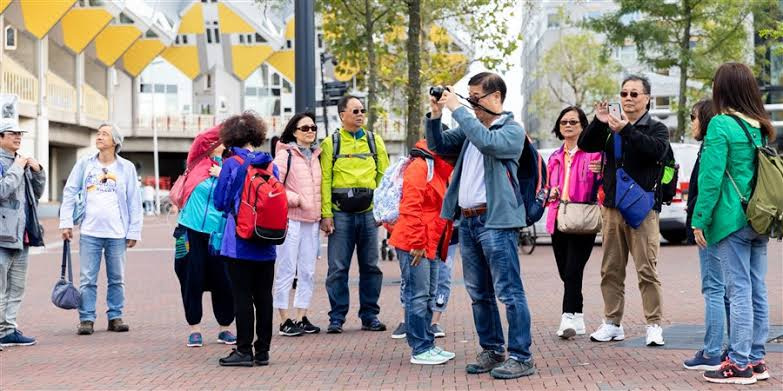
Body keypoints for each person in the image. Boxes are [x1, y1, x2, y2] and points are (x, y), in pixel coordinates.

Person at [426, 72, 535, 379]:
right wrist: (435, 115)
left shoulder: (511, 130)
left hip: (496, 221)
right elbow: (437, 144)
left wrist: (457, 110)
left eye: (476, 97)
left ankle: (521, 355)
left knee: (509, 291)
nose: (471, 102)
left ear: (497, 98)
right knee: (479, 292)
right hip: (470, 220)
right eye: (468, 96)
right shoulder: (471, 131)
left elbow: (488, 144)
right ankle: (492, 349)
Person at [694, 62, 774, 385]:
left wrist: (700, 219)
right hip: (758, 216)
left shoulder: (720, 125)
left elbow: (711, 178)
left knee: (737, 290)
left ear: (722, 89)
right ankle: (756, 359)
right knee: (757, 289)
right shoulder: (761, 125)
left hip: (730, 219)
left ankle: (738, 363)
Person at [577, 75, 668, 347]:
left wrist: (626, 129)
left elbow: (655, 151)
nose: (628, 98)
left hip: (642, 210)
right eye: (624, 93)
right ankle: (612, 323)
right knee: (611, 269)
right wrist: (599, 120)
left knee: (646, 270)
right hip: (612, 208)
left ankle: (653, 325)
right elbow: (584, 144)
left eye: (634, 94)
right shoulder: (610, 127)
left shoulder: (656, 128)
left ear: (647, 98)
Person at [60, 123, 143, 335]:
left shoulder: (126, 168)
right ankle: (86, 318)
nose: (99, 137)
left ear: (115, 142)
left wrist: (134, 231)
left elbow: (134, 200)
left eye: (104, 134)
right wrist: (66, 222)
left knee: (117, 278)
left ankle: (115, 316)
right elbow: (70, 192)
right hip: (89, 232)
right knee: (88, 279)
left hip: (117, 233)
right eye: (98, 133)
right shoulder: (85, 164)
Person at [320, 95, 390, 334]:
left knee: (371, 266)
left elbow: (384, 176)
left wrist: (382, 210)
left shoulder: (374, 141)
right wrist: (326, 213)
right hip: (341, 215)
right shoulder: (331, 143)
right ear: (342, 115)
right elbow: (326, 180)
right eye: (355, 110)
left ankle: (370, 315)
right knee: (337, 268)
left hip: (369, 214)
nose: (360, 114)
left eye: (362, 110)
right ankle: (337, 317)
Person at [213, 113, 277, 367]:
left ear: (231, 136)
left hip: (239, 240)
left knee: (242, 296)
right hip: (267, 238)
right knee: (264, 296)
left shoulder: (231, 163)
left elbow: (220, 201)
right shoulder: (271, 163)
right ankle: (263, 350)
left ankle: (243, 350)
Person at [388, 139, 455, 365]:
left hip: (430, 241)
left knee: (426, 295)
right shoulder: (420, 166)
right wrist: (417, 242)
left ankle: (427, 344)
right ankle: (420, 348)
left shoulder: (436, 167)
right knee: (418, 295)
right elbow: (411, 206)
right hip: (415, 243)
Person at [173, 125, 236, 348]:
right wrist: (231, 124)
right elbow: (203, 138)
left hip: (218, 232)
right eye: (217, 139)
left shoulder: (232, 165)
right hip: (189, 229)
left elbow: (238, 192)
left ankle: (225, 328)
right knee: (190, 276)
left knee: (224, 280)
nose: (218, 143)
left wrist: (223, 175)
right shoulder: (197, 160)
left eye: (225, 140)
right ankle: (194, 328)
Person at [545, 106, 602, 339]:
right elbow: (546, 186)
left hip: (583, 217)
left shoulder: (594, 155)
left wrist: (602, 171)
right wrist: (550, 192)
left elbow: (603, 185)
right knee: (565, 270)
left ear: (583, 126)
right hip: (558, 217)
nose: (568, 126)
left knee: (572, 269)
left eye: (573, 122)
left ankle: (567, 316)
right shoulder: (555, 157)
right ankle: (578, 316)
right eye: (564, 122)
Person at [682, 99, 730, 371]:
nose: (692, 123)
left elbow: (707, 187)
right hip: (724, 224)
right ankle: (731, 348)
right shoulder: (713, 144)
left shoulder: (711, 146)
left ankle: (712, 352)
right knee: (724, 290)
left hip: (711, 226)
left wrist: (699, 222)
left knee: (713, 288)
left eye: (694, 117)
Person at [272, 113, 322, 336]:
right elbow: (273, 186)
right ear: (294, 131)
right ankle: (284, 319)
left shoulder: (317, 155)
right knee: (286, 269)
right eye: (305, 128)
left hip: (311, 222)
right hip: (290, 220)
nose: (310, 131)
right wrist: (296, 199)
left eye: (313, 127)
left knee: (308, 271)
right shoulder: (285, 156)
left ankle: (301, 316)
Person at [0, 123, 45, 348]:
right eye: (13, 134)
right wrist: (17, 168)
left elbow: (36, 195)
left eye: (20, 134)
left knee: (17, 286)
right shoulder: (7, 163)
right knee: (0, 287)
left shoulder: (21, 161)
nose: (18, 137)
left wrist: (38, 171)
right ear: (0, 137)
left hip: (22, 234)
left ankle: (8, 330)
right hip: (2, 235)